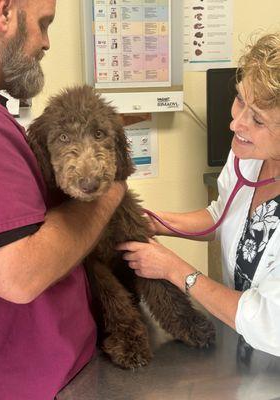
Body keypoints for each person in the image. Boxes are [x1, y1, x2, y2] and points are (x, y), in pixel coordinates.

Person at [0, 1, 126, 399]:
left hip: (62, 370)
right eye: (43, 25)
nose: (46, 43)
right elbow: (17, 274)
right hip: (27, 384)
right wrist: (109, 194)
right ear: (5, 12)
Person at [117, 31, 280, 357]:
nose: (236, 124)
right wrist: (156, 222)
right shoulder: (248, 157)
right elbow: (223, 214)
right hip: (246, 352)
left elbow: (270, 322)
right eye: (239, 99)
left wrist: (174, 269)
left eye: (257, 119)